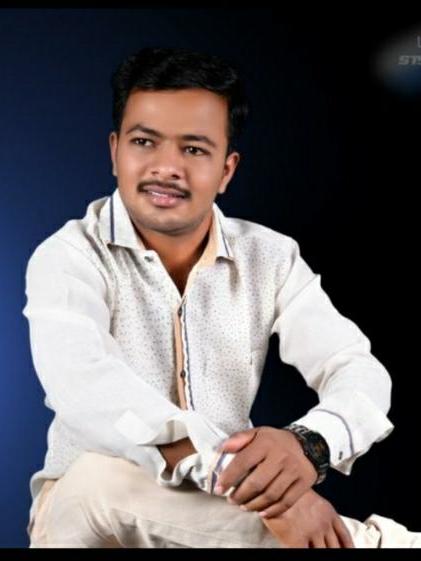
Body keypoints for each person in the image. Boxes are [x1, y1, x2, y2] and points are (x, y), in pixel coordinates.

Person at [23, 46, 420, 548]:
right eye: (144, 142)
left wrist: (309, 446)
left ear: (227, 170)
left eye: (193, 150)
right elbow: (87, 389)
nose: (166, 167)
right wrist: (266, 490)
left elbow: (356, 368)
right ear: (115, 151)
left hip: (220, 517)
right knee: (94, 480)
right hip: (90, 520)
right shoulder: (67, 257)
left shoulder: (271, 257)